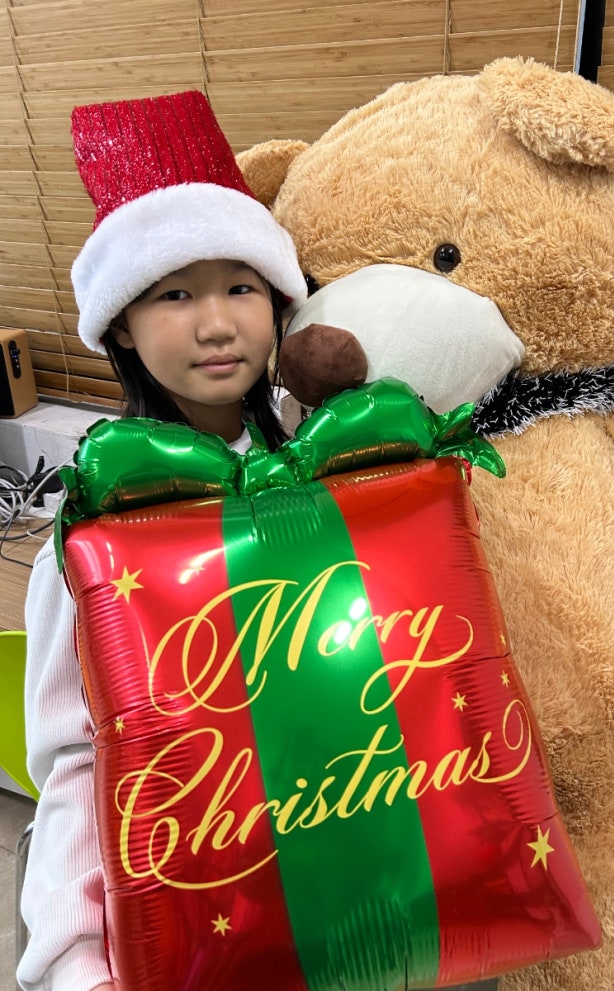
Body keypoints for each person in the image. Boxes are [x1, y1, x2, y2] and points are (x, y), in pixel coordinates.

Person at [17, 90, 307, 991]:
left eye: (240, 286)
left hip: (347, 848)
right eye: (174, 293)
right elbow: (78, 757)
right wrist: (71, 958)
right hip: (205, 894)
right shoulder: (96, 532)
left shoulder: (324, 467)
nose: (216, 324)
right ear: (120, 323)